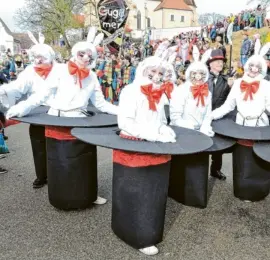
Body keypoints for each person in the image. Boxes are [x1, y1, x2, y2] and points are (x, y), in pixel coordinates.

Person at [0, 32, 60, 189]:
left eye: (42, 57)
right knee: (38, 143)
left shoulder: (61, 70)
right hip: (36, 113)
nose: (38, 60)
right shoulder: (29, 71)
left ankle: (60, 175)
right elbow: (17, 88)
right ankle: (42, 175)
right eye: (36, 57)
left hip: (58, 113)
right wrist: (4, 91)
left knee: (59, 145)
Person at [207, 49, 233, 180]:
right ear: (210, 64)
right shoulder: (202, 77)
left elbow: (230, 101)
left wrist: (230, 87)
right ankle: (198, 172)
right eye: (217, 61)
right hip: (202, 116)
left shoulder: (227, 79)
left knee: (218, 145)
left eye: (221, 62)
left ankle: (216, 169)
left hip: (218, 117)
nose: (220, 64)